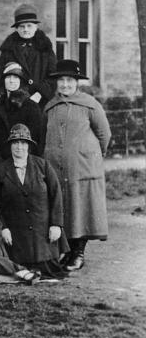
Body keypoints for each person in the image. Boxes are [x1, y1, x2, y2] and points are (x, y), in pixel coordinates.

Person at [43, 59, 111, 271]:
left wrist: (91, 155)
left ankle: (79, 253)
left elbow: (104, 134)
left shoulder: (90, 104)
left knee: (80, 208)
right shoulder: (50, 106)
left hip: (82, 168)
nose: (65, 85)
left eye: (69, 80)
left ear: (77, 82)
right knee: (63, 208)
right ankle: (68, 252)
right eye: (61, 80)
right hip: (56, 166)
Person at [0, 124, 68, 278]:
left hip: (43, 233)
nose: (19, 147)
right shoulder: (0, 170)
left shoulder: (43, 165)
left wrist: (56, 224)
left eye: (23, 143)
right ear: (10, 146)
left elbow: (56, 195)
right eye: (15, 143)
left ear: (29, 146)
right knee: (19, 269)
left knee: (50, 271)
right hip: (16, 236)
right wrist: (3, 228)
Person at [0, 4, 57, 107]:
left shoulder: (45, 48)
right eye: (22, 26)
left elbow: (53, 76)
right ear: (16, 29)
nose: (25, 29)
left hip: (40, 101)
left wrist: (40, 94)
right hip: (14, 103)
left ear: (36, 27)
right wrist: (12, 97)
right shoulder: (9, 49)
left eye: (29, 26)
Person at [0, 62, 45, 158]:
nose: (11, 81)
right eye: (8, 77)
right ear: (3, 81)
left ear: (21, 81)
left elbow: (37, 138)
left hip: (24, 158)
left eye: (16, 77)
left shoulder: (31, 107)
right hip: (0, 159)